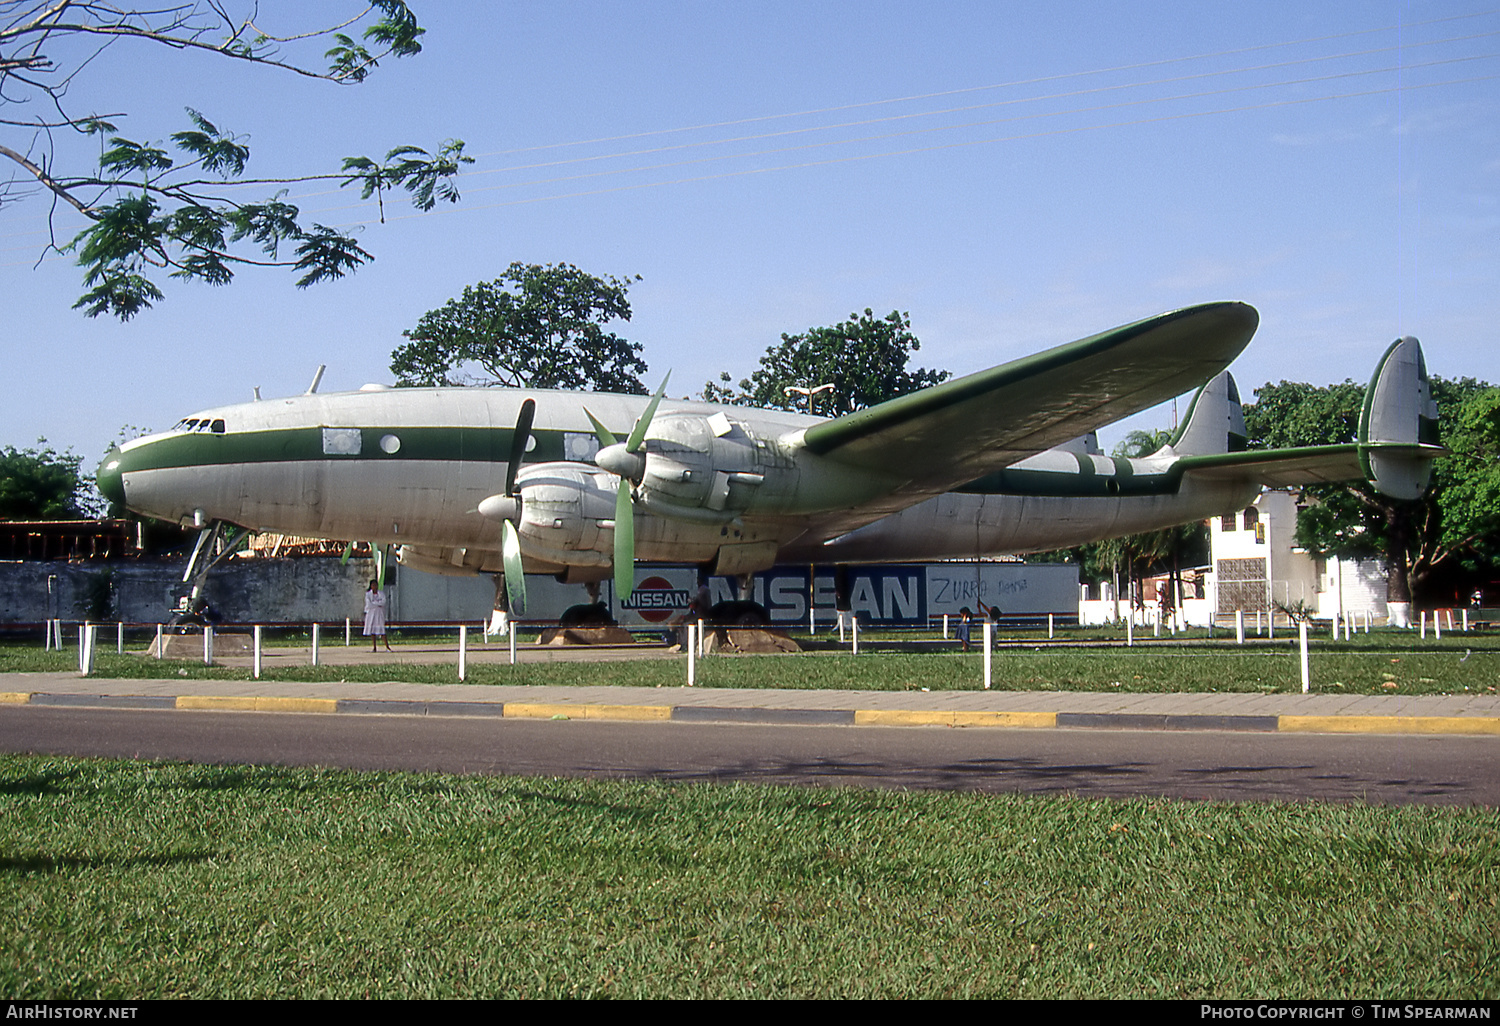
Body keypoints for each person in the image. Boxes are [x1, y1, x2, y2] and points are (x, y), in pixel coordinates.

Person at [364, 579, 391, 652]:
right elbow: (369, 604)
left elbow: (383, 602)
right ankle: (374, 647)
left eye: (376, 585)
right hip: (371, 614)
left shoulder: (381, 593)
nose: (375, 587)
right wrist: (378, 603)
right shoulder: (368, 594)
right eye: (373, 585)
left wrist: (374, 603)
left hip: (379, 614)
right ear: (371, 586)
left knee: (381, 630)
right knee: (372, 630)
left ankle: (387, 647)